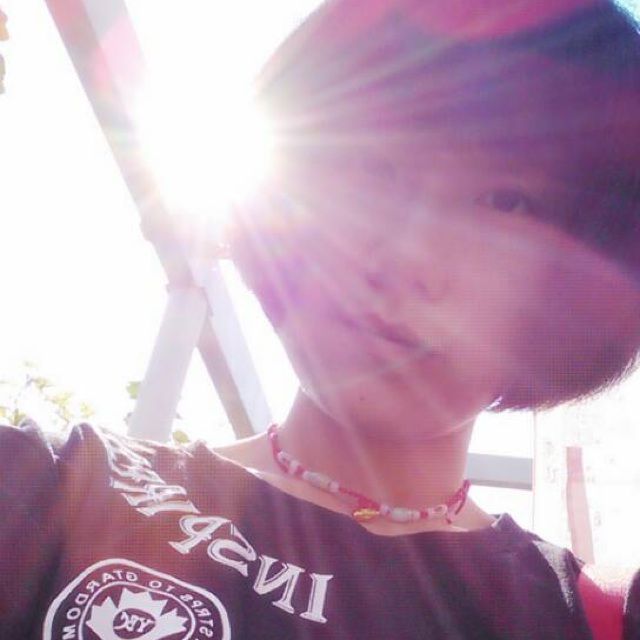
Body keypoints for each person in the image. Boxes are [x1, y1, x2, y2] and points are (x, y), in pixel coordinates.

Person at [2, 0, 640, 638]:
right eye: (373, 168)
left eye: (505, 201)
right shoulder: (45, 488)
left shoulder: (587, 617)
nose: (403, 255)